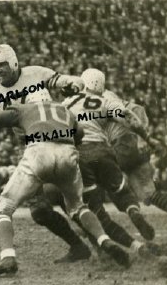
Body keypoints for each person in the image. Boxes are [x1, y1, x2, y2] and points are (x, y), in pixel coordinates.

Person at [0, 93, 131, 277]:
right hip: (68, 153)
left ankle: (8, 257)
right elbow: (79, 133)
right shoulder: (65, 111)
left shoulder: (24, 108)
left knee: (2, 209)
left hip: (39, 152)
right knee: (78, 207)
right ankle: (104, 240)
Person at [0, 44, 93, 263]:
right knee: (40, 211)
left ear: (13, 63)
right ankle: (79, 246)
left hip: (57, 139)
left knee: (69, 200)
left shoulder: (36, 73)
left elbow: (65, 81)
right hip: (30, 147)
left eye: (2, 65)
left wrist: (72, 83)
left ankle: (101, 241)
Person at [63, 69, 157, 257]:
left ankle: (135, 246)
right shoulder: (106, 101)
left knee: (96, 212)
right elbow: (131, 119)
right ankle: (133, 213)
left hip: (81, 155)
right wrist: (147, 138)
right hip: (103, 151)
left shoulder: (68, 103)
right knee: (122, 193)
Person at [101, 86, 167, 241]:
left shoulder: (100, 105)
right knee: (148, 194)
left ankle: (118, 218)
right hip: (136, 149)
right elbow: (139, 117)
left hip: (118, 149)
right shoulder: (130, 105)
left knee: (111, 188)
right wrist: (146, 140)